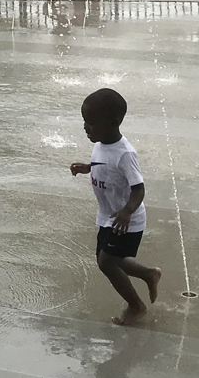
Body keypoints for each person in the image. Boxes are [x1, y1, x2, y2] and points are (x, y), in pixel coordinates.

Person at [69, 87, 160, 324]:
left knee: (107, 261)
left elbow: (138, 188)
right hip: (108, 215)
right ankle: (149, 275)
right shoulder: (101, 142)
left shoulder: (125, 154)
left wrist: (127, 212)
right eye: (84, 121)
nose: (85, 127)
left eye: (90, 122)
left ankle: (136, 305)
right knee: (104, 260)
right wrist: (88, 167)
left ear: (113, 123)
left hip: (125, 219)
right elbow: (104, 164)